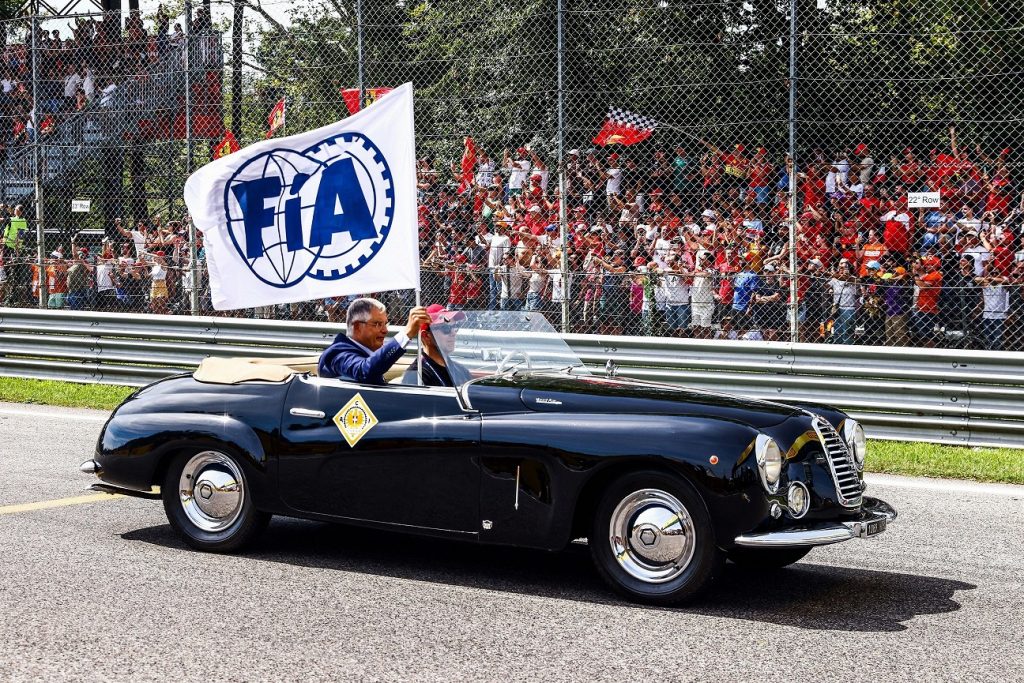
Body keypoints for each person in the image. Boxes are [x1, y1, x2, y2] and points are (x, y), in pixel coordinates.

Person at [318, 298, 430, 384]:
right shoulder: (337, 353)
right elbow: (364, 371)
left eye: (386, 324)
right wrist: (407, 333)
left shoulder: (366, 353)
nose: (385, 330)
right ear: (357, 327)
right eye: (378, 324)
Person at [402, 305, 472, 387]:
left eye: (454, 327)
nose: (453, 333)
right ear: (426, 336)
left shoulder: (461, 370)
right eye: (446, 328)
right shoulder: (416, 375)